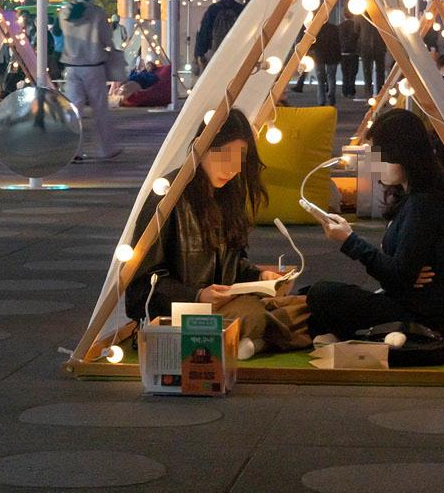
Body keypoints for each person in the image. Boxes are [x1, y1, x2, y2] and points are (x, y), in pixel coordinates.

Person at [125, 109, 310, 359]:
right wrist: (198, 296)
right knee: (251, 312)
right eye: (224, 155)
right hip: (182, 315)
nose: (232, 168)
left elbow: (231, 267)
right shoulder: (168, 196)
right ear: (203, 147)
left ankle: (256, 340)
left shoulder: (226, 196)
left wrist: (261, 276)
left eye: (240, 158)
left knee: (310, 303)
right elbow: (139, 288)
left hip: (225, 307)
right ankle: (259, 338)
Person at [309, 109, 444, 348]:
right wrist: (402, 276)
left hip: (430, 323)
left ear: (403, 155)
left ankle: (338, 334)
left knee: (322, 294)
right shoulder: (415, 197)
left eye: (380, 157)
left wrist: (350, 240)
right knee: (311, 292)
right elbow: (401, 275)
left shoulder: (423, 203)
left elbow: (398, 277)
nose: (375, 165)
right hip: (418, 308)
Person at [61, 0, 120, 161]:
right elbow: (107, 39)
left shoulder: (64, 12)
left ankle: (74, 150)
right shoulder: (97, 13)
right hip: (93, 66)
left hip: (71, 67)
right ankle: (106, 149)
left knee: (74, 110)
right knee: (100, 109)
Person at [195, 0, 243, 69]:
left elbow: (204, 31)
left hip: (215, 51)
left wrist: (200, 53)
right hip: (236, 50)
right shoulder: (240, 9)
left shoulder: (213, 9)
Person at [311, 18, 341, 106]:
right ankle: (331, 98)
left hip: (319, 56)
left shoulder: (316, 29)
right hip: (332, 56)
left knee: (320, 80)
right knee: (331, 77)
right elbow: (338, 43)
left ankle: (321, 101)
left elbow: (312, 43)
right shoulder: (334, 28)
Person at [358, 14, 387, 97]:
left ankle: (368, 94)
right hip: (379, 47)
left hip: (366, 47)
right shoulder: (381, 16)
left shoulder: (361, 16)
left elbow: (356, 30)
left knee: (367, 72)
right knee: (380, 72)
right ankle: (380, 94)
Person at [339, 9, 362, 100]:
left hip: (343, 53)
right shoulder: (356, 26)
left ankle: (344, 91)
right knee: (353, 73)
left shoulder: (340, 26)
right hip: (354, 53)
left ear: (343, 16)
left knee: (345, 74)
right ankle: (351, 91)